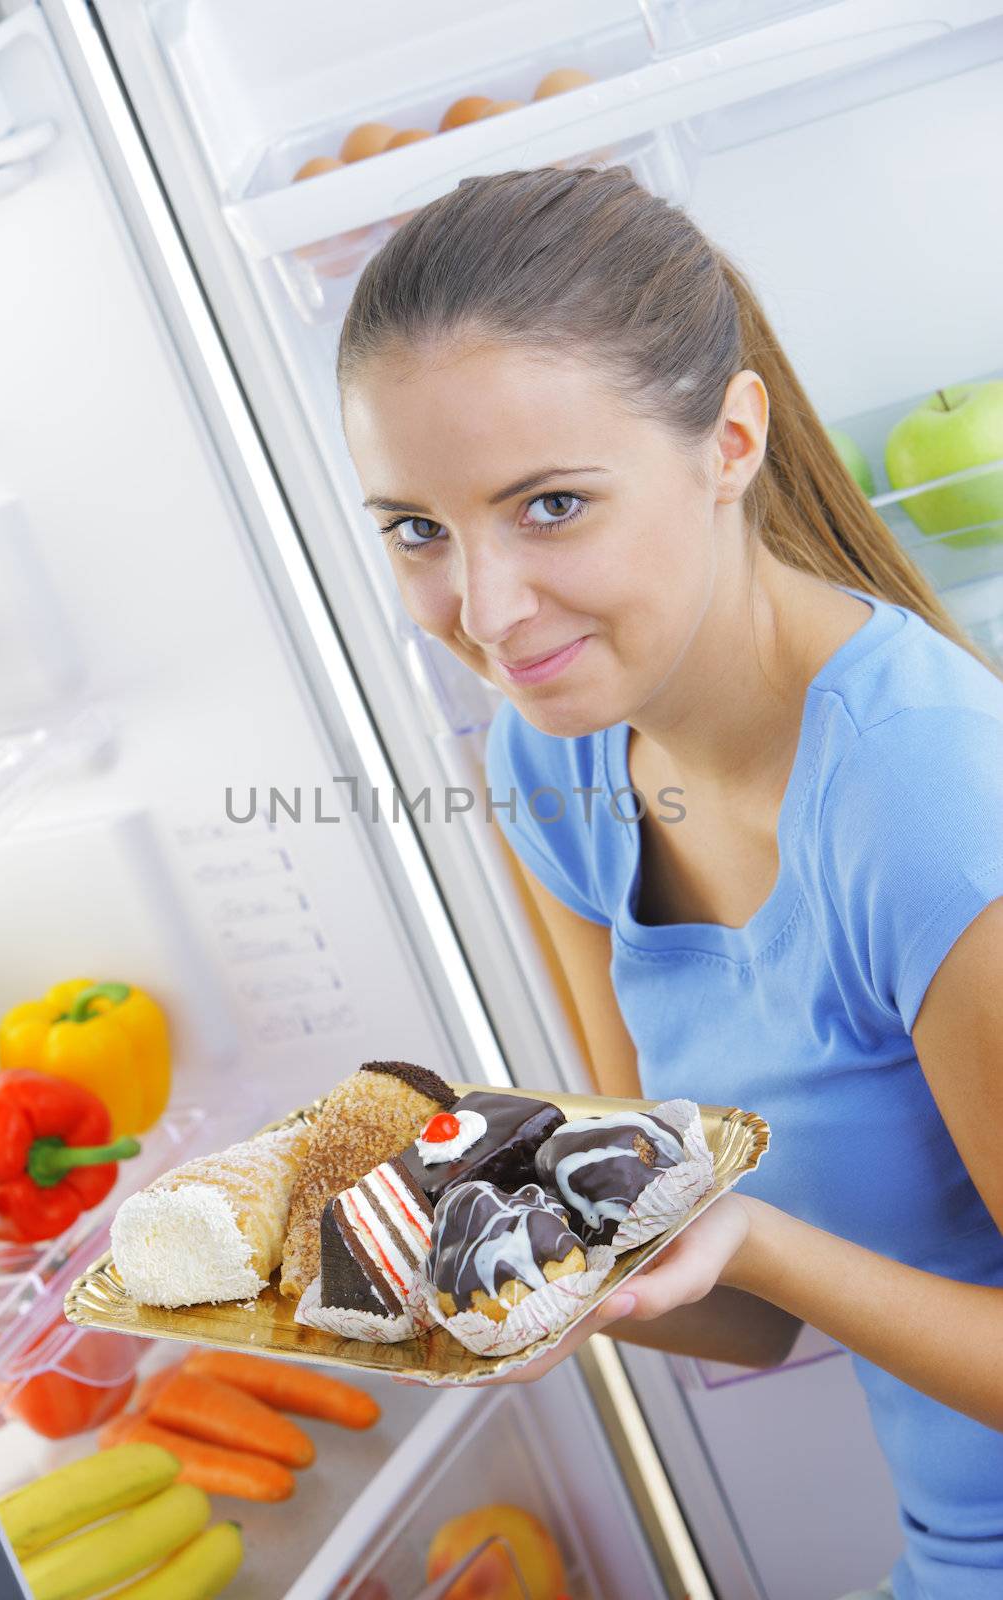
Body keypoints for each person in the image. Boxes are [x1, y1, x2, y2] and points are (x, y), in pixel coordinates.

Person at [335, 166, 1003, 1600]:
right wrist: (459, 1271)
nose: (488, 609)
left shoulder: (925, 802)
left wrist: (752, 1236)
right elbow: (725, 1299)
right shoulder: (556, 770)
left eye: (552, 504)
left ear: (729, 442)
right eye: (415, 530)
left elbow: (748, 1251)